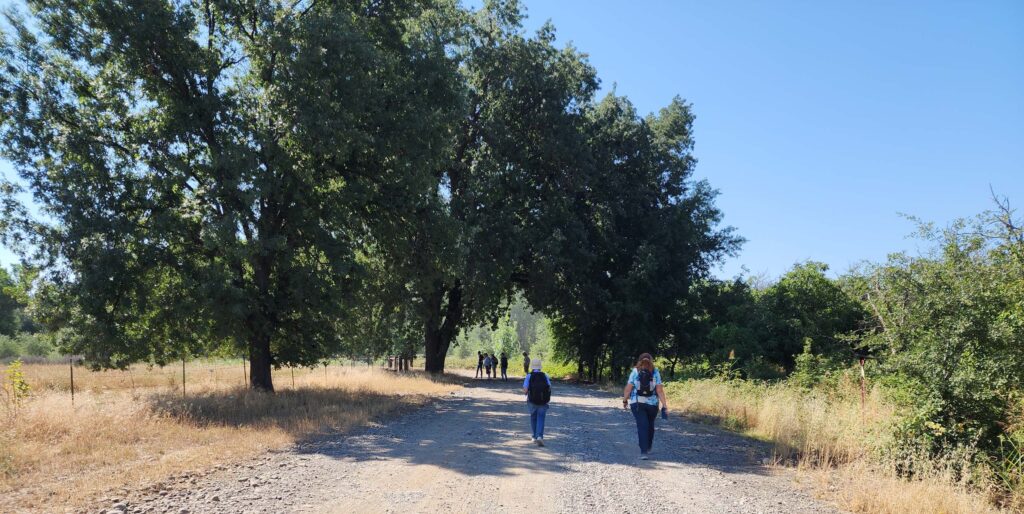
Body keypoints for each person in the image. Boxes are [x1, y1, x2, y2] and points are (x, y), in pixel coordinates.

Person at [621, 352, 668, 460]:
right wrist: (664, 405)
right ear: (651, 360)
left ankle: (643, 452)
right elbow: (659, 390)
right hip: (652, 404)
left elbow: (628, 388)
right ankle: (649, 446)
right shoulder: (655, 372)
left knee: (642, 425)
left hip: (637, 403)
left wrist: (624, 400)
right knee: (650, 425)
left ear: (639, 360)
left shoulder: (635, 371)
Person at [523, 358, 551, 446]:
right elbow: (549, 387)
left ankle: (534, 436)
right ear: (540, 367)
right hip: (543, 401)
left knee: (533, 417)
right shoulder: (545, 375)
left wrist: (526, 394)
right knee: (541, 418)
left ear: (532, 366)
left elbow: (525, 390)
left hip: (532, 401)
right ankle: (540, 436)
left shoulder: (529, 376)